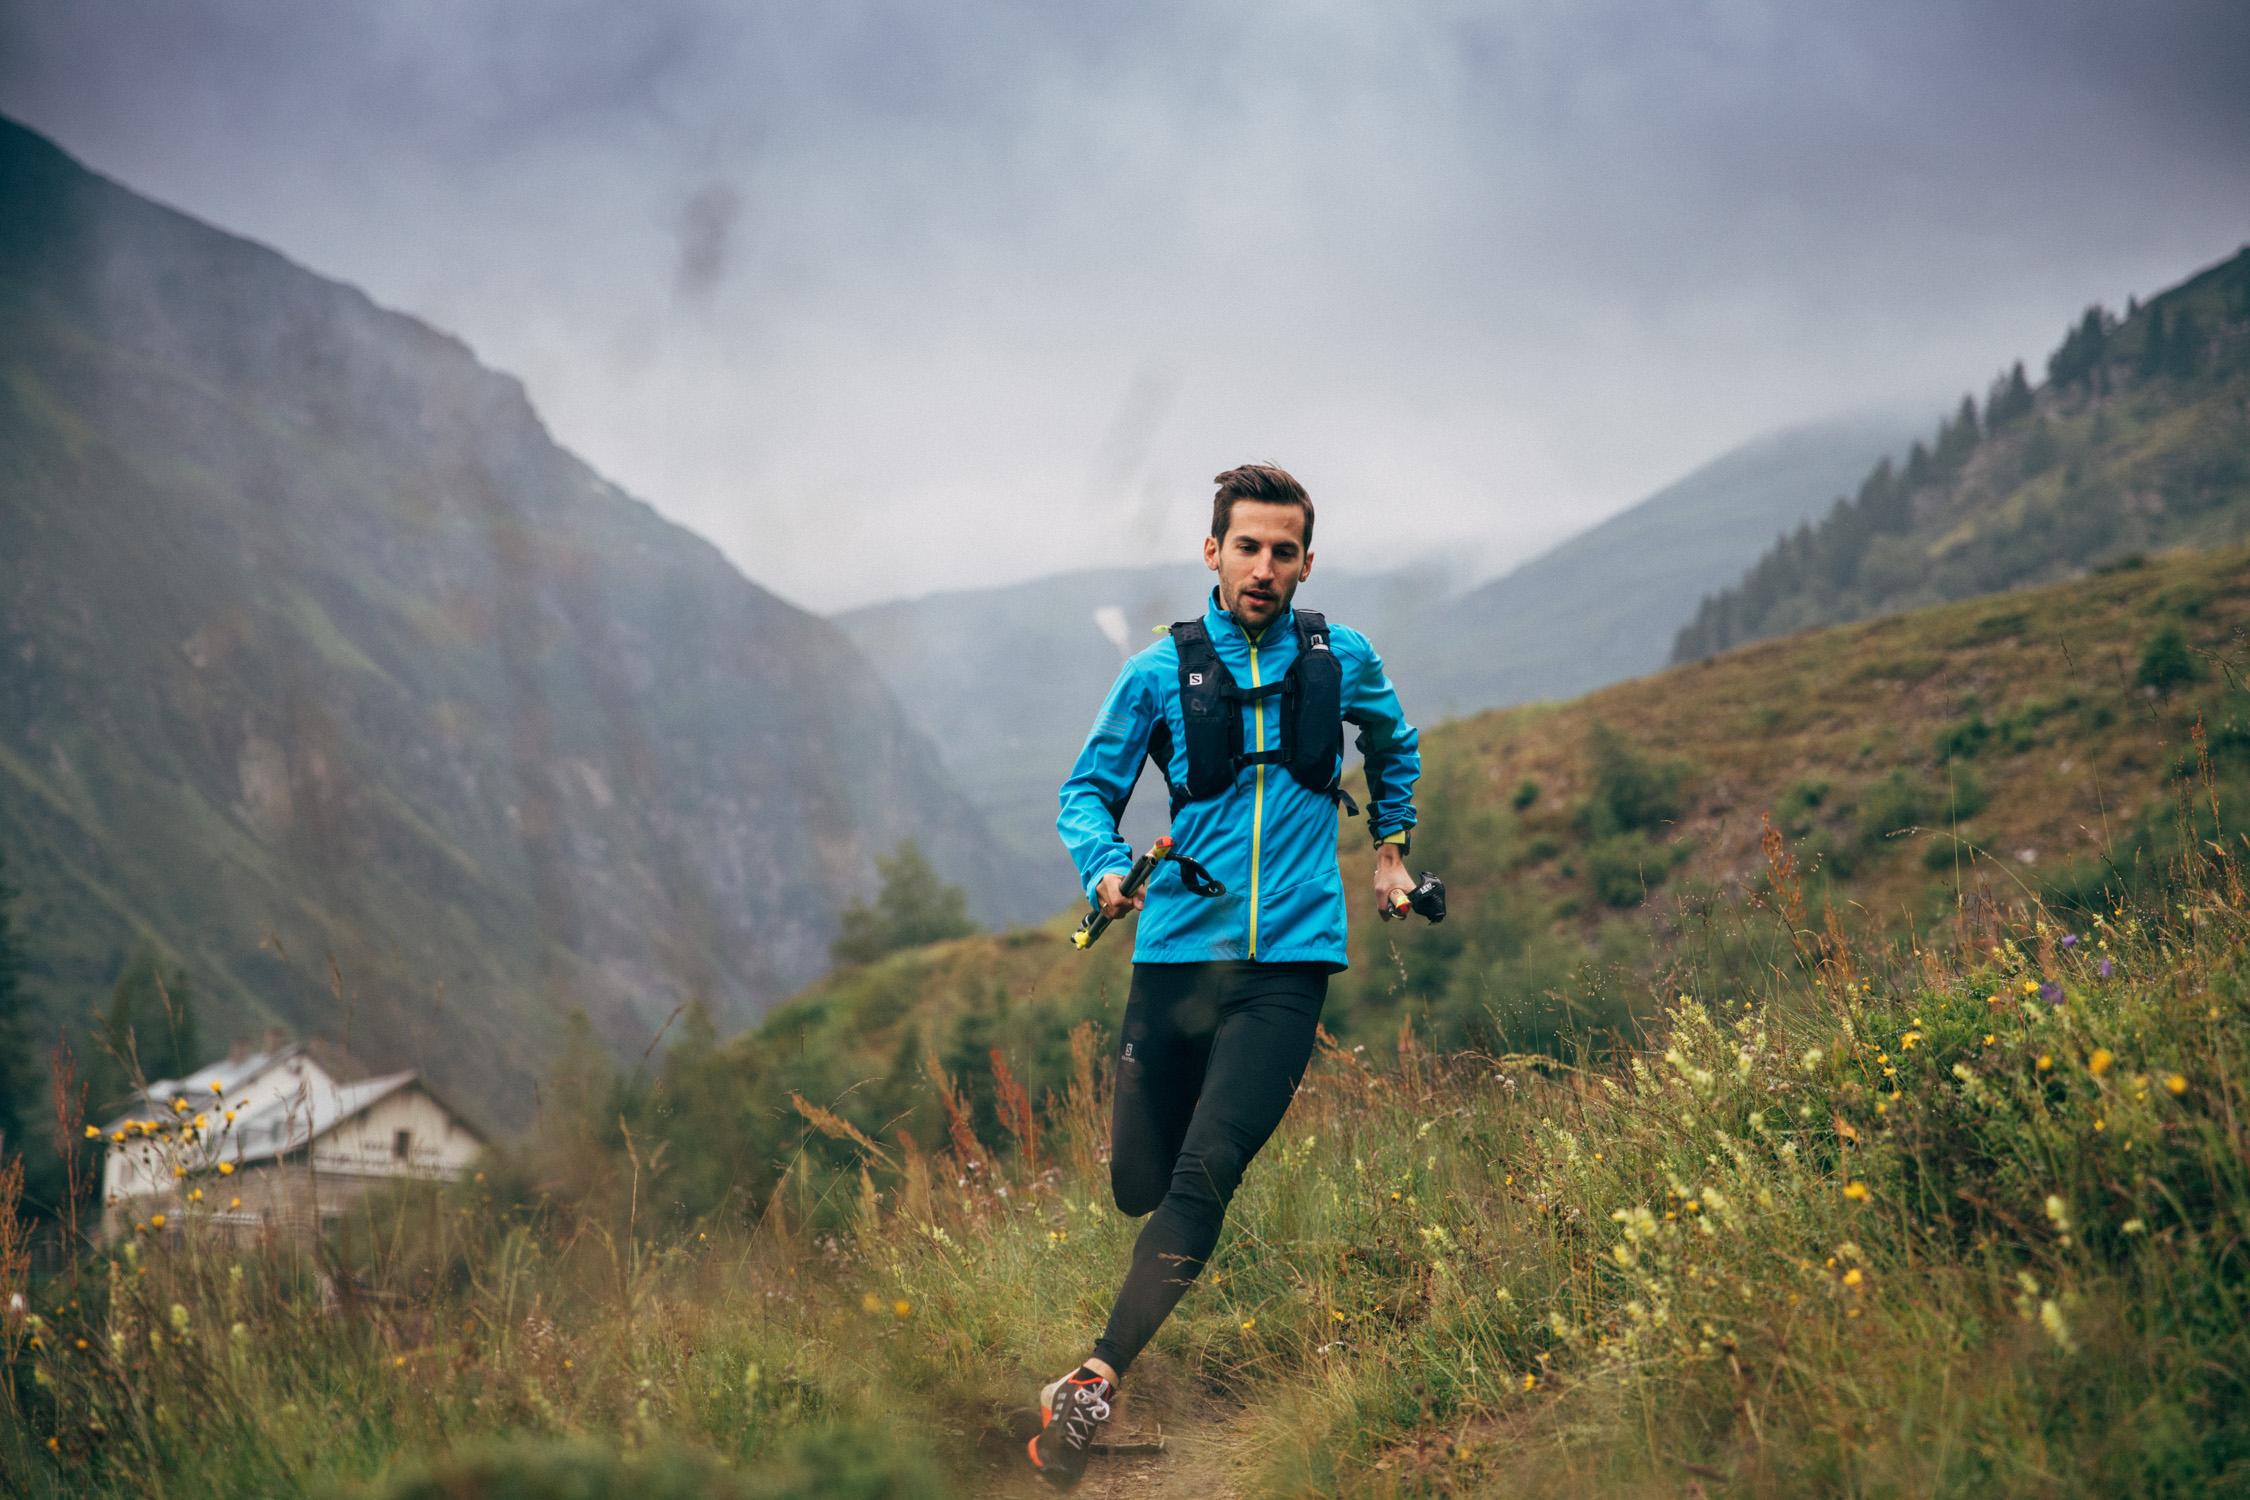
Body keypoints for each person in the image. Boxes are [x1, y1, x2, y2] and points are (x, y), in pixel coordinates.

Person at [1029, 463, 1423, 1489]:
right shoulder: (1159, 671)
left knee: (1208, 1173)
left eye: (1283, 551)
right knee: (1140, 1185)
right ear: (1213, 552)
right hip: (1174, 962)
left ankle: (1092, 1378)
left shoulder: (1343, 660)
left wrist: (1391, 850)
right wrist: (1106, 867)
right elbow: (1086, 791)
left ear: (1304, 562)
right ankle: (1124, 1318)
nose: (1263, 567)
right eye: (1246, 547)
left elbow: (1395, 740)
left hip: (1288, 966)